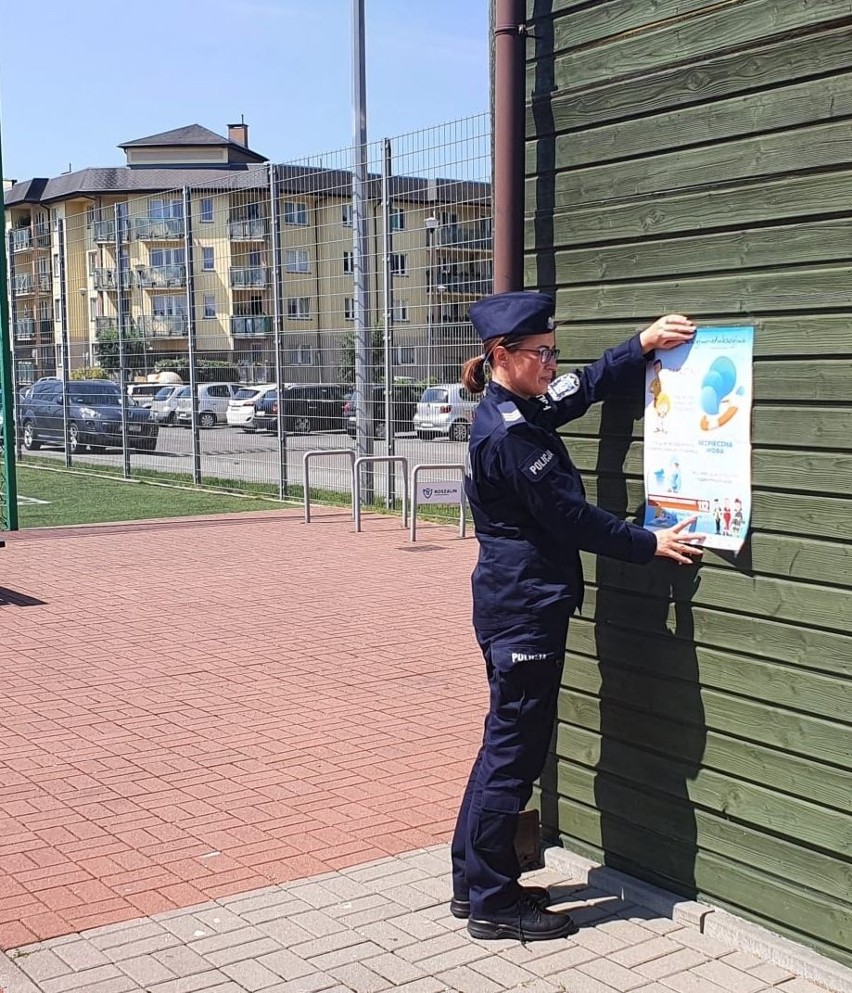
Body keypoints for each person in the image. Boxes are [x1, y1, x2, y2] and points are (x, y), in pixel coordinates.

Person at [451, 291, 703, 942]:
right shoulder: (511, 436)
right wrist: (649, 542)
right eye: (541, 353)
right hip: (524, 612)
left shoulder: (518, 406)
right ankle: (495, 905)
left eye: (552, 351)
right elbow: (572, 518)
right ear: (502, 355)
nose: (551, 362)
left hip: (515, 603)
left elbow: (581, 388)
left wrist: (639, 347)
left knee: (500, 745)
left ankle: (473, 880)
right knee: (514, 754)